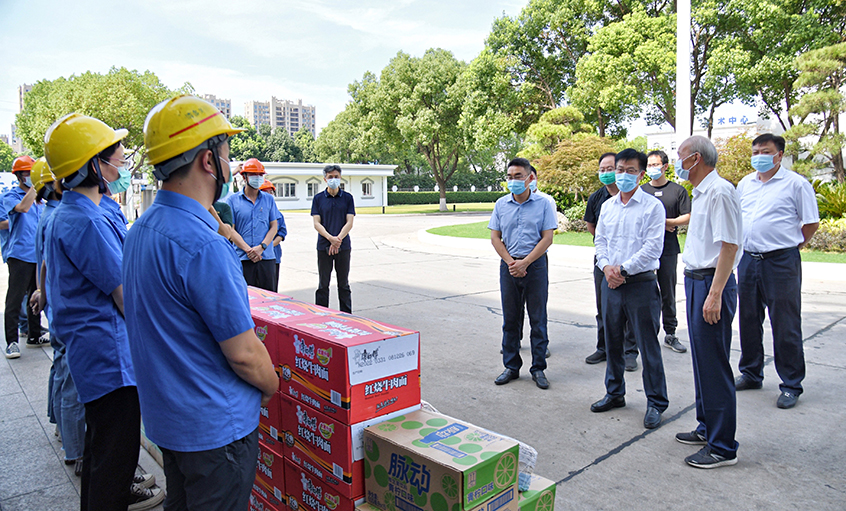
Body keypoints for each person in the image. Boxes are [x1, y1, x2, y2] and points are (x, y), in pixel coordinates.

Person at [123, 94, 279, 511]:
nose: (231, 163)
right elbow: (244, 354)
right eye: (226, 152)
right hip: (215, 432)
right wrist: (271, 385)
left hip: (169, 421)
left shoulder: (140, 230)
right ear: (209, 161)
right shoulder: (204, 245)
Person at [43, 113, 163, 511]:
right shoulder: (86, 221)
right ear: (93, 164)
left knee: (101, 454)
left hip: (95, 355)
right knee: (115, 460)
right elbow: (124, 295)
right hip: (110, 359)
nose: (122, 163)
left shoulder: (72, 212)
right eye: (116, 155)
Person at [673, 135, 742, 468]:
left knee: (714, 365)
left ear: (695, 158)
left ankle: (722, 447)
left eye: (680, 156)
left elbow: (729, 246)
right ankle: (707, 427)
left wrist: (714, 295)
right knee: (703, 362)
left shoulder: (720, 192)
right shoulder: (701, 193)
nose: (677, 162)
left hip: (712, 284)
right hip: (696, 281)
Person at [736, 133, 819, 409]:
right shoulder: (745, 184)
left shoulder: (796, 184)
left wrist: (791, 245)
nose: (759, 156)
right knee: (748, 319)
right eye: (756, 152)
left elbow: (810, 223)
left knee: (785, 323)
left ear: (779, 155)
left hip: (781, 262)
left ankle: (791, 384)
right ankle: (751, 373)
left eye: (765, 151)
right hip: (748, 259)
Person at [590, 149, 668, 430]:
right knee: (612, 342)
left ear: (641, 174)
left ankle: (656, 402)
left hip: (640, 284)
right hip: (610, 283)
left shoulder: (652, 207)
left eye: (630, 170)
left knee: (647, 345)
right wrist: (607, 267)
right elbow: (600, 241)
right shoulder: (608, 206)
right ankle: (614, 393)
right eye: (620, 169)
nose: (623, 175)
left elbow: (652, 248)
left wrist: (622, 271)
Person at [29, 157, 86, 476]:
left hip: (57, 304)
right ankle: (76, 450)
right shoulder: (61, 218)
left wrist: (42, 291)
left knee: (61, 371)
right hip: (65, 308)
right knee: (70, 381)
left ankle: (62, 427)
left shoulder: (50, 215)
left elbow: (45, 265)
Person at [489, 157, 557, 390]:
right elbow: (495, 237)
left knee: (538, 319)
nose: (513, 180)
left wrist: (525, 262)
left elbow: (547, 238)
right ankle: (511, 366)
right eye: (510, 176)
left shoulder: (543, 204)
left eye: (518, 176)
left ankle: (538, 368)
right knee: (510, 319)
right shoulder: (501, 205)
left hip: (535, 266)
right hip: (508, 266)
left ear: (530, 178)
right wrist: (511, 262)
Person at [583, 153, 638, 370]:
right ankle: (603, 347)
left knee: (631, 309)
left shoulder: (637, 198)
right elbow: (592, 227)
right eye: (602, 169)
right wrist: (606, 255)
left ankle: (630, 351)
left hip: (631, 263)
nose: (606, 173)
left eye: (610, 168)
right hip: (603, 261)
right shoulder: (597, 198)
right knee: (604, 306)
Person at [641, 150, 691, 353]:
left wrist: (667, 222)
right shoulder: (641, 191)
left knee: (668, 292)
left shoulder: (677, 191)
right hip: (644, 250)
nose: (652, 168)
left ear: (665, 166)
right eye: (649, 165)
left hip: (668, 249)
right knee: (644, 292)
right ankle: (644, 334)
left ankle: (670, 333)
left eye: (655, 164)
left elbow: (687, 216)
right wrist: (661, 223)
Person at [4, 155, 46, 359]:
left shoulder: (40, 199)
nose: (30, 176)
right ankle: (11, 342)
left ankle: (34, 335)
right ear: (19, 176)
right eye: (27, 173)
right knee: (15, 299)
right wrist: (35, 187)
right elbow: (22, 208)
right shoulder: (11, 196)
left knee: (35, 295)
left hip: (37, 255)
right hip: (20, 255)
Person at [226, 158, 278, 291]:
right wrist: (248, 250)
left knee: (269, 298)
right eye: (254, 175)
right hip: (243, 258)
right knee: (244, 297)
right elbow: (231, 230)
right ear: (244, 177)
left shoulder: (269, 199)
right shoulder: (233, 201)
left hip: (266, 257)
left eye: (260, 175)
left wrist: (262, 247)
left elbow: (274, 226)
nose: (258, 178)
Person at [312, 164, 355, 313]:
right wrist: (331, 238)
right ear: (325, 179)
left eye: (336, 176)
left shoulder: (347, 198)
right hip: (324, 245)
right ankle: (321, 314)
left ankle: (346, 315)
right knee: (323, 283)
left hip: (343, 246)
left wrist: (338, 240)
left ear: (340, 177)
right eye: (330, 177)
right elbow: (316, 223)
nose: (333, 179)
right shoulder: (318, 199)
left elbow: (349, 222)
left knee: (343, 284)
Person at [260, 179, 287, 291]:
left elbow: (282, 232)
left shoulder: (278, 214)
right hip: (256, 256)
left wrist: (268, 246)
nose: (269, 194)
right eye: (265, 191)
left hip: (273, 255)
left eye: (270, 192)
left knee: (271, 289)